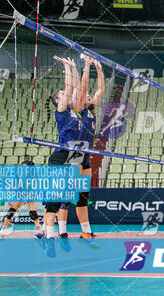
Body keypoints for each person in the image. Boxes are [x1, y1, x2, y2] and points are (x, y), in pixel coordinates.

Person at [57, 55, 104, 251]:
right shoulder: (74, 110)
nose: (87, 96)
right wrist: (85, 67)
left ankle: (85, 230)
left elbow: (100, 90)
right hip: (73, 152)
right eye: (84, 95)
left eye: (87, 96)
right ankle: (61, 231)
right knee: (68, 194)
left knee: (83, 195)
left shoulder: (90, 110)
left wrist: (99, 69)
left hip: (85, 153)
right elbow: (80, 87)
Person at [42, 55, 82, 257]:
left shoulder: (73, 110)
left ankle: (53, 233)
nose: (65, 95)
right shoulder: (62, 110)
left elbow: (74, 88)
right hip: (59, 157)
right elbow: (68, 88)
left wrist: (73, 66)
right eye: (61, 95)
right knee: (53, 201)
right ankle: (49, 237)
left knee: (63, 199)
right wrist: (66, 68)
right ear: (58, 101)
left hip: (71, 159)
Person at [0, 156, 43, 239]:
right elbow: (14, 187)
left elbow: (33, 188)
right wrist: (10, 199)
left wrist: (27, 198)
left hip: (30, 194)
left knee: (33, 213)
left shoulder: (33, 177)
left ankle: (38, 229)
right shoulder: (18, 176)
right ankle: (2, 230)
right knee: (11, 211)